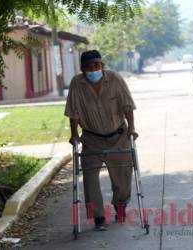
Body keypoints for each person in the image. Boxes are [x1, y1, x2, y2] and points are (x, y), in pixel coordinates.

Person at [64, 50, 138, 231]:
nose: (93, 69)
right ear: (82, 69)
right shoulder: (77, 83)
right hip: (91, 138)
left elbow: (127, 105)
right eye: (88, 67)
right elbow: (73, 112)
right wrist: (74, 134)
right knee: (89, 178)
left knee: (122, 176)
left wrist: (132, 128)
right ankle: (98, 216)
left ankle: (120, 206)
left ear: (102, 66)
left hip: (118, 137)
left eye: (96, 65)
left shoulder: (115, 79)